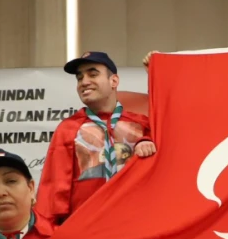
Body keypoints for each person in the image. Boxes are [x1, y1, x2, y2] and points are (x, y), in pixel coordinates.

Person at [37, 51, 156, 225]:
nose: (84, 82)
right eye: (80, 78)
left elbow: (173, 125)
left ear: (114, 81)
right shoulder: (68, 129)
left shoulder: (142, 125)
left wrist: (156, 75)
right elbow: (53, 190)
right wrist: (49, 230)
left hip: (135, 225)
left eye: (93, 74)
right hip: (86, 229)